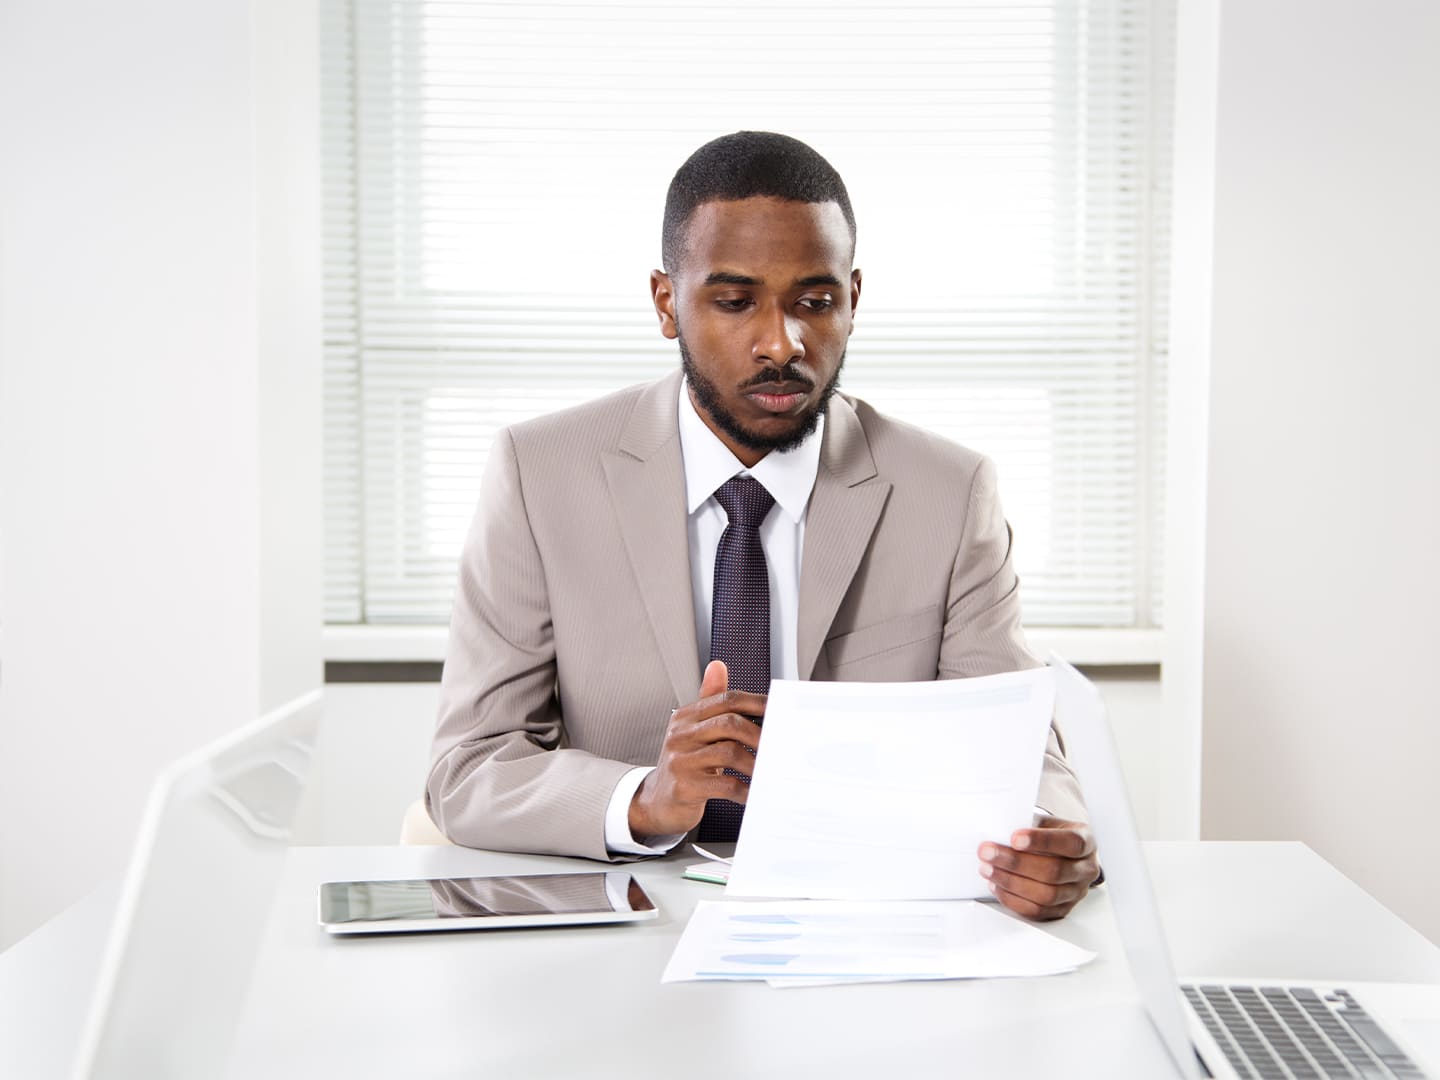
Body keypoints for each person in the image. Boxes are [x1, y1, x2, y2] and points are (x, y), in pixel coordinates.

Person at [427, 131, 1099, 921]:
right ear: (666, 302)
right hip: (632, 927)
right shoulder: (540, 474)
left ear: (854, 298)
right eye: (735, 300)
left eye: (814, 302)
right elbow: (469, 769)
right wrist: (642, 799)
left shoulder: (948, 493)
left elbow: (1021, 754)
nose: (782, 343)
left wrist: (1059, 838)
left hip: (870, 922)